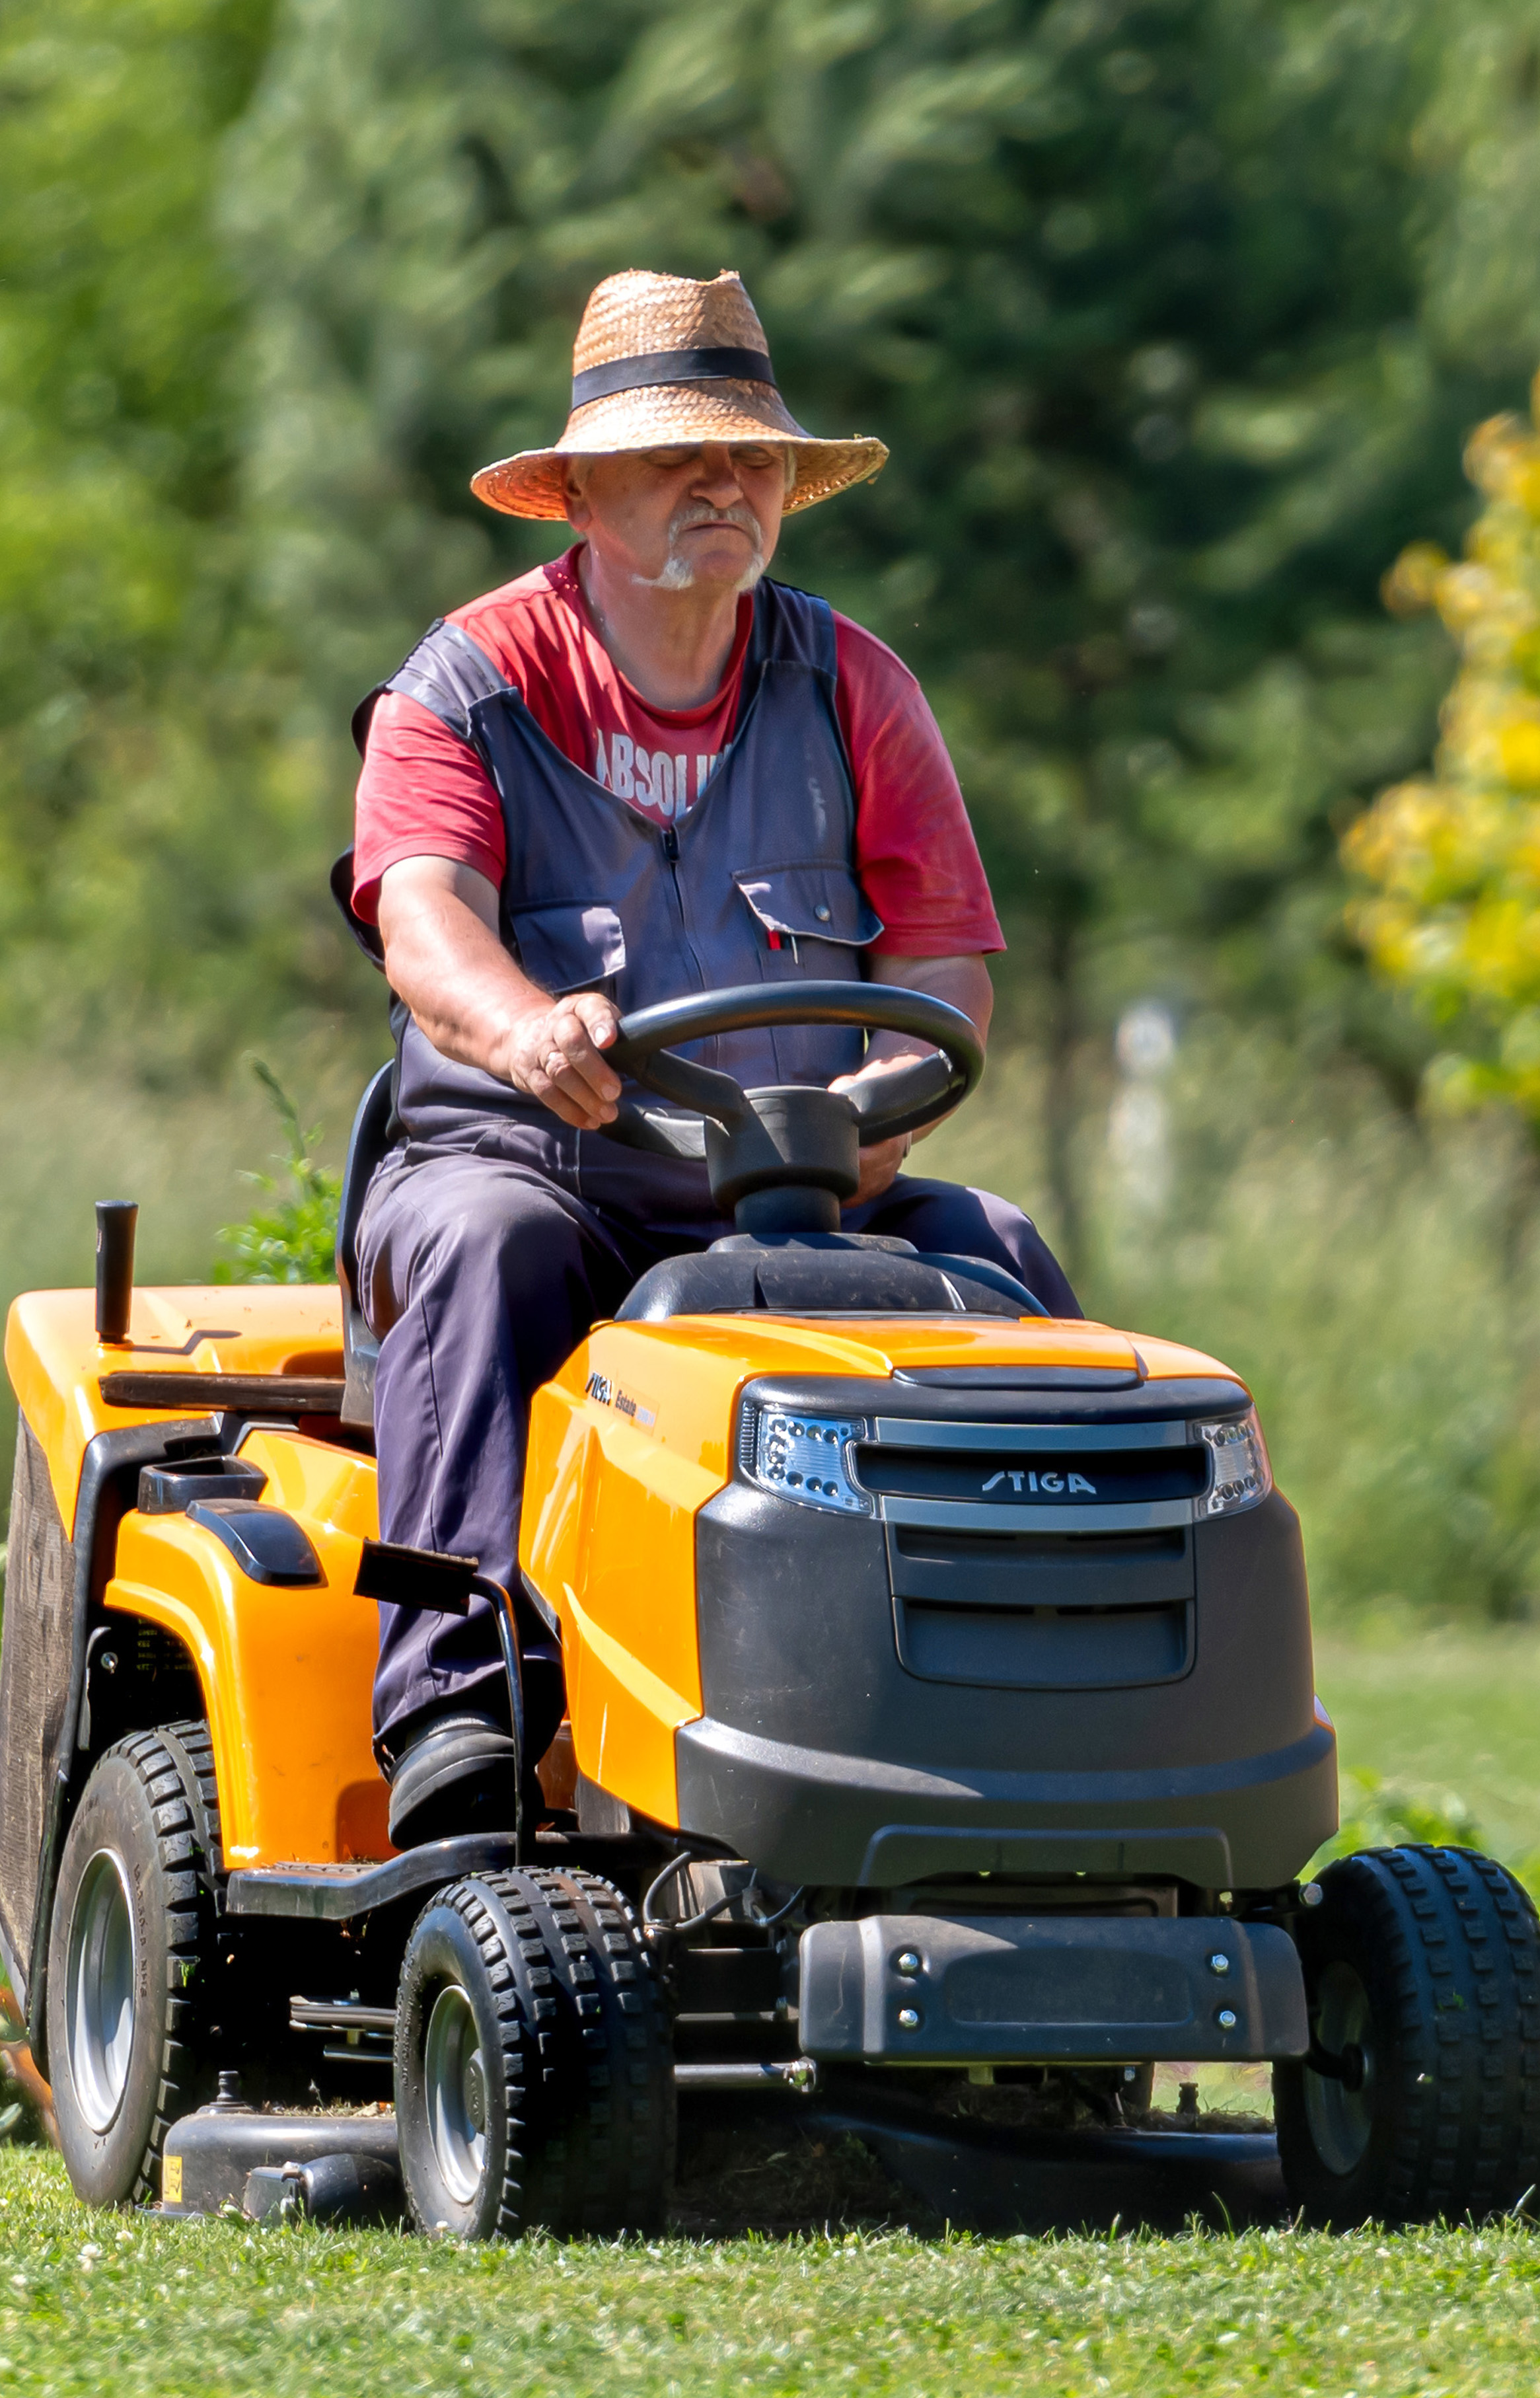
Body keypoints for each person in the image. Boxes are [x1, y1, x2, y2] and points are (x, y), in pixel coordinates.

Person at [335, 266, 1076, 1846]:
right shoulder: (465, 685)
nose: (723, 485)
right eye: (678, 455)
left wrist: (879, 1114)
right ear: (581, 491)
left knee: (997, 1257)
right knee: (485, 1243)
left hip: (798, 1192)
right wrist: (527, 1029)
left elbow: (942, 956)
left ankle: (1047, 1689)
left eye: (752, 458)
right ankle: (463, 1714)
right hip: (535, 1167)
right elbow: (425, 919)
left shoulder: (858, 686)